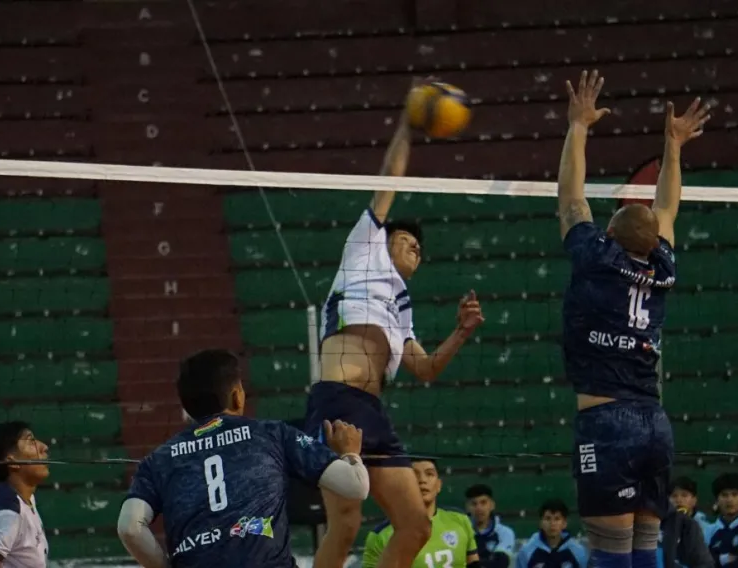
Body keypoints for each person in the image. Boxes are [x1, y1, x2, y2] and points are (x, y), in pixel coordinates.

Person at [306, 79, 486, 568]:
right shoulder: (364, 249)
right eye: (408, 241)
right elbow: (389, 178)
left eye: (421, 251)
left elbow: (424, 369)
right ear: (385, 240)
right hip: (338, 406)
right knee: (344, 526)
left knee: (417, 525)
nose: (416, 251)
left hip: (374, 415)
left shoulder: (401, 305)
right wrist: (408, 126)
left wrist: (461, 333)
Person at [556, 68, 710, 568]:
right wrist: (674, 147)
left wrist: (578, 127)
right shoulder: (662, 265)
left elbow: (571, 198)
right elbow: (667, 206)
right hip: (653, 422)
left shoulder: (596, 258)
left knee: (611, 556)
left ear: (613, 233)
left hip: (607, 422)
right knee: (647, 550)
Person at [117, 349, 370, 568]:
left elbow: (129, 528)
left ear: (187, 406)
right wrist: (350, 452)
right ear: (237, 395)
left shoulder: (159, 459)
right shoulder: (271, 434)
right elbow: (355, 486)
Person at [363, 459, 478, 568]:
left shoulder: (460, 519)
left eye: (429, 474)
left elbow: (473, 563)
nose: (422, 480)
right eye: (414, 474)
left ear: (439, 485)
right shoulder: (380, 536)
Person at [0, 421, 51, 568]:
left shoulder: (22, 498)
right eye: (31, 441)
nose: (44, 447)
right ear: (12, 461)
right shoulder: (7, 511)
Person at [516, 499, 588, 568]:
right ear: (541, 523)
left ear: (564, 523)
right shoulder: (526, 552)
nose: (552, 523)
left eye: (557, 519)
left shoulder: (578, 551)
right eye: (547, 518)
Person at [465, 484, 516, 568]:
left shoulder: (505, 533)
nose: (479, 508)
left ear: (492, 505)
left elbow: (500, 564)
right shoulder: (461, 532)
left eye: (483, 503)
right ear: (467, 507)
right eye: (474, 504)